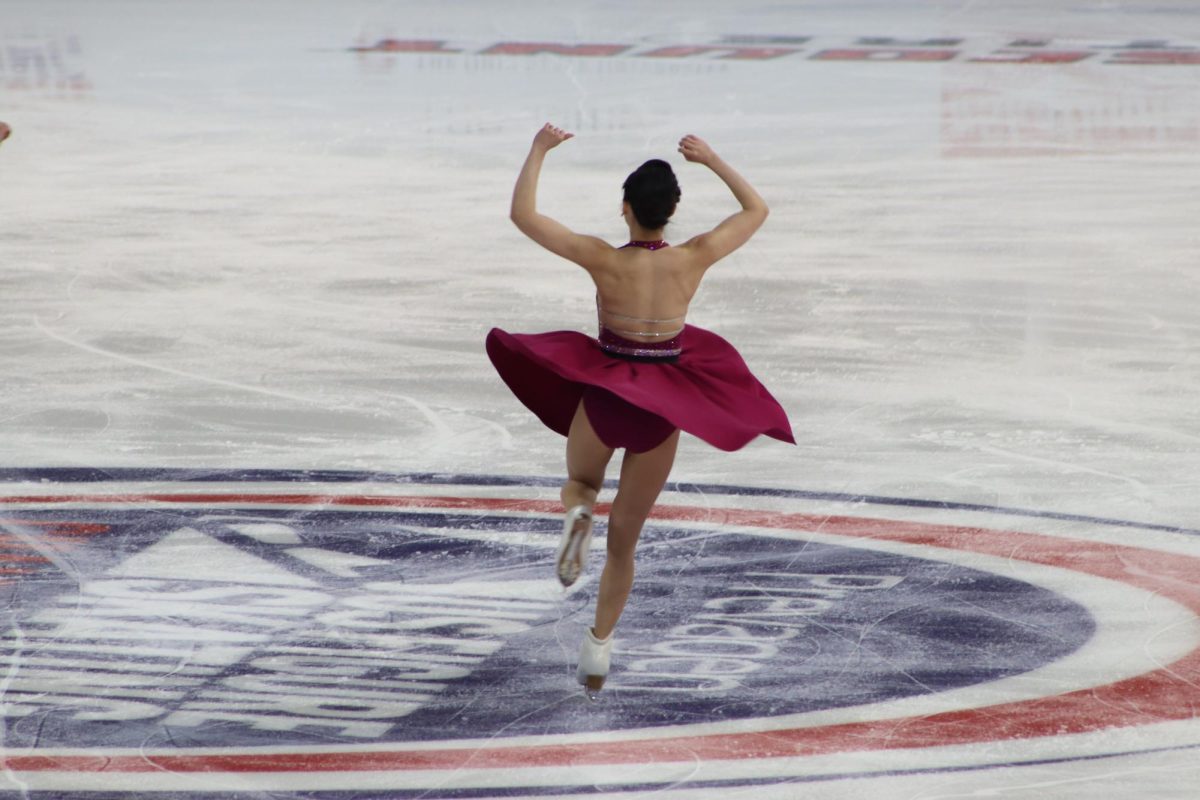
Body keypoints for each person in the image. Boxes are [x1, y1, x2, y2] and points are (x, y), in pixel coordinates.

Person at [486, 123, 794, 694]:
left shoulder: (604, 259)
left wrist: (537, 149)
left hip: (606, 394)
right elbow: (757, 210)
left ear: (624, 208)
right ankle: (598, 649)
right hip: (660, 409)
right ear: (671, 211)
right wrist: (712, 159)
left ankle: (579, 513)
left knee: (581, 482)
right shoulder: (694, 257)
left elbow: (524, 217)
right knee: (624, 540)